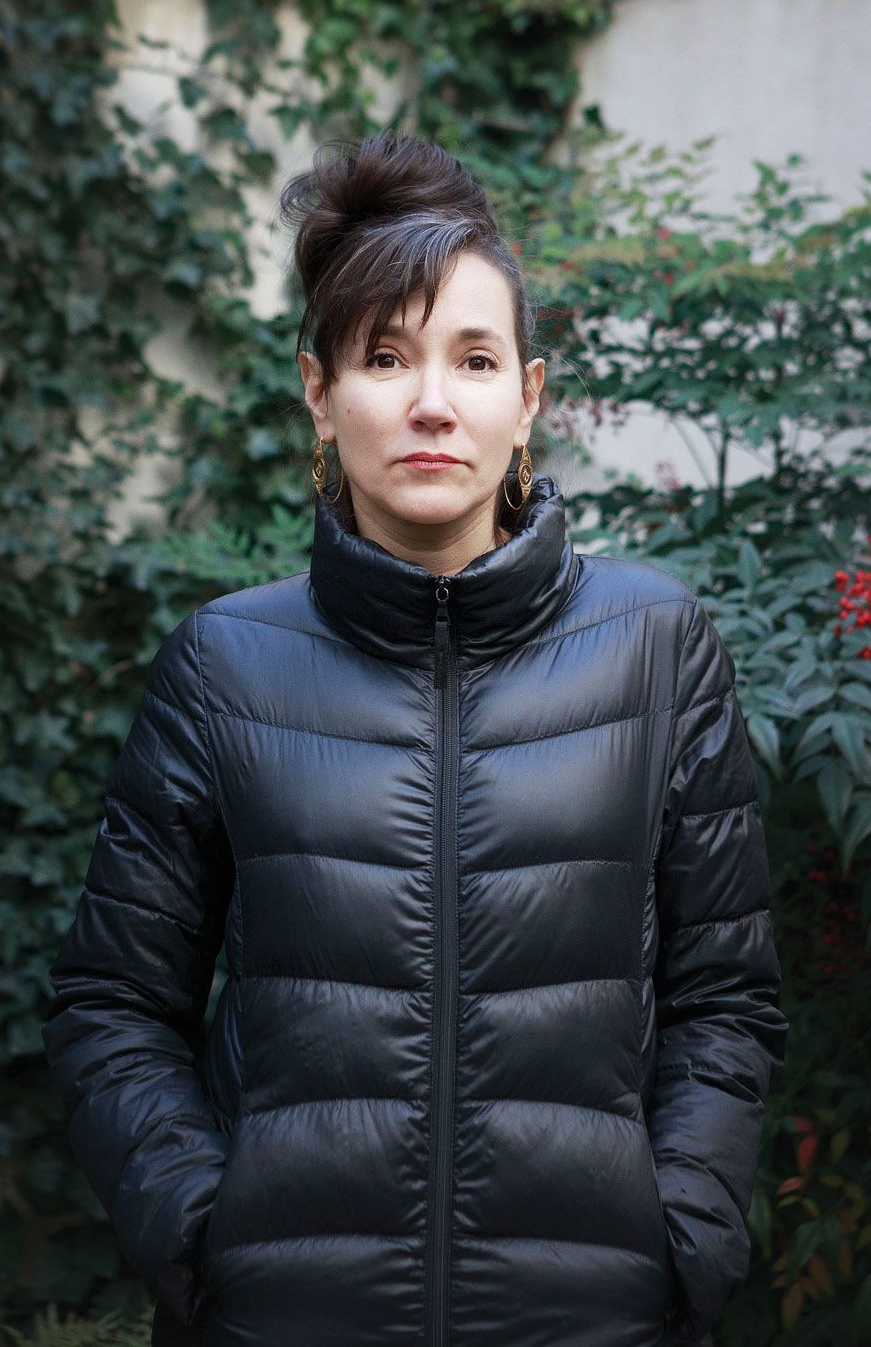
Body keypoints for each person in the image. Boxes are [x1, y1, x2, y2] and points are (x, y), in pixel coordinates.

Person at [43, 130, 790, 1347]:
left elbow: (727, 998)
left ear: (527, 398)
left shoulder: (656, 647)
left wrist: (683, 1239)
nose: (432, 403)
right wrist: (199, 1234)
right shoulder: (224, 666)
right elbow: (112, 1000)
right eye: (384, 356)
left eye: (474, 359)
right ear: (319, 393)